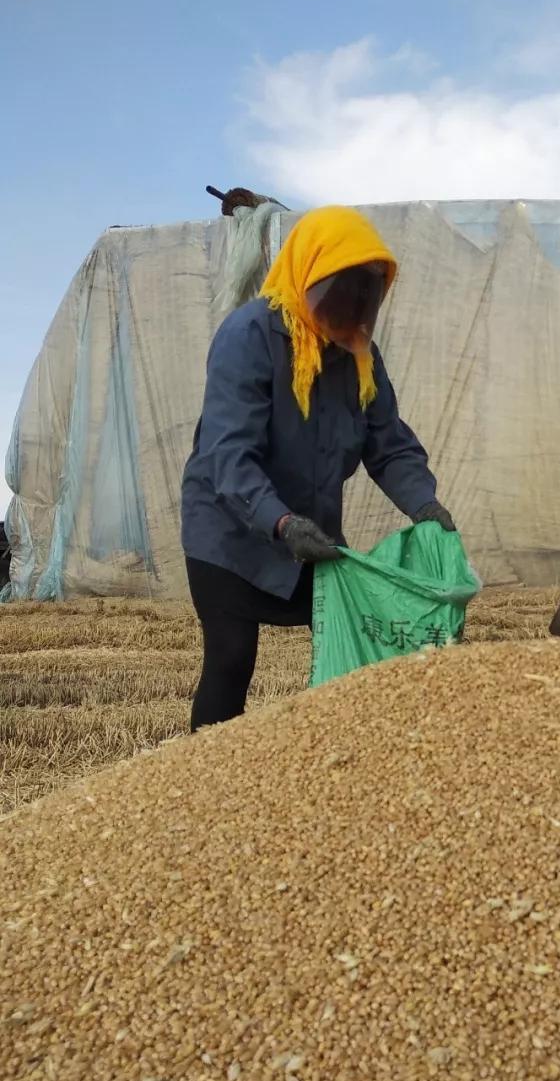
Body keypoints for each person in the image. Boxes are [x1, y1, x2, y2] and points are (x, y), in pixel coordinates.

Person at [181, 205, 455, 730]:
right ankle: (205, 791)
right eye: (339, 295)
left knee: (354, 636)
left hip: (311, 532)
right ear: (306, 275)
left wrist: (424, 504)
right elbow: (228, 455)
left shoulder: (359, 355)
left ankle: (332, 762)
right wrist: (280, 523)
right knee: (231, 656)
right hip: (230, 531)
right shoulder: (248, 337)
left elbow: (388, 444)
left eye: (364, 296)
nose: (351, 310)